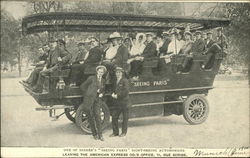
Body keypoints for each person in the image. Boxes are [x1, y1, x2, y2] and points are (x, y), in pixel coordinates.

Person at [79, 65, 107, 141]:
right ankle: (94, 134)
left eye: (102, 72)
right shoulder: (91, 78)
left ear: (103, 73)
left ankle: (100, 135)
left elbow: (103, 90)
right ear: (97, 71)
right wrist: (88, 94)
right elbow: (82, 86)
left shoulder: (103, 80)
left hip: (97, 100)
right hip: (89, 100)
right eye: (99, 71)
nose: (101, 73)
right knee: (90, 117)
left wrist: (102, 94)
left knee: (98, 117)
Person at [110, 67, 130, 137]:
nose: (117, 74)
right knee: (114, 117)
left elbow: (126, 91)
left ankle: (124, 132)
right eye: (116, 72)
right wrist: (112, 94)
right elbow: (113, 90)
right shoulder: (115, 81)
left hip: (124, 102)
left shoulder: (125, 80)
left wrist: (117, 95)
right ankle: (115, 132)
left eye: (119, 72)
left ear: (122, 73)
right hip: (117, 103)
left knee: (125, 118)